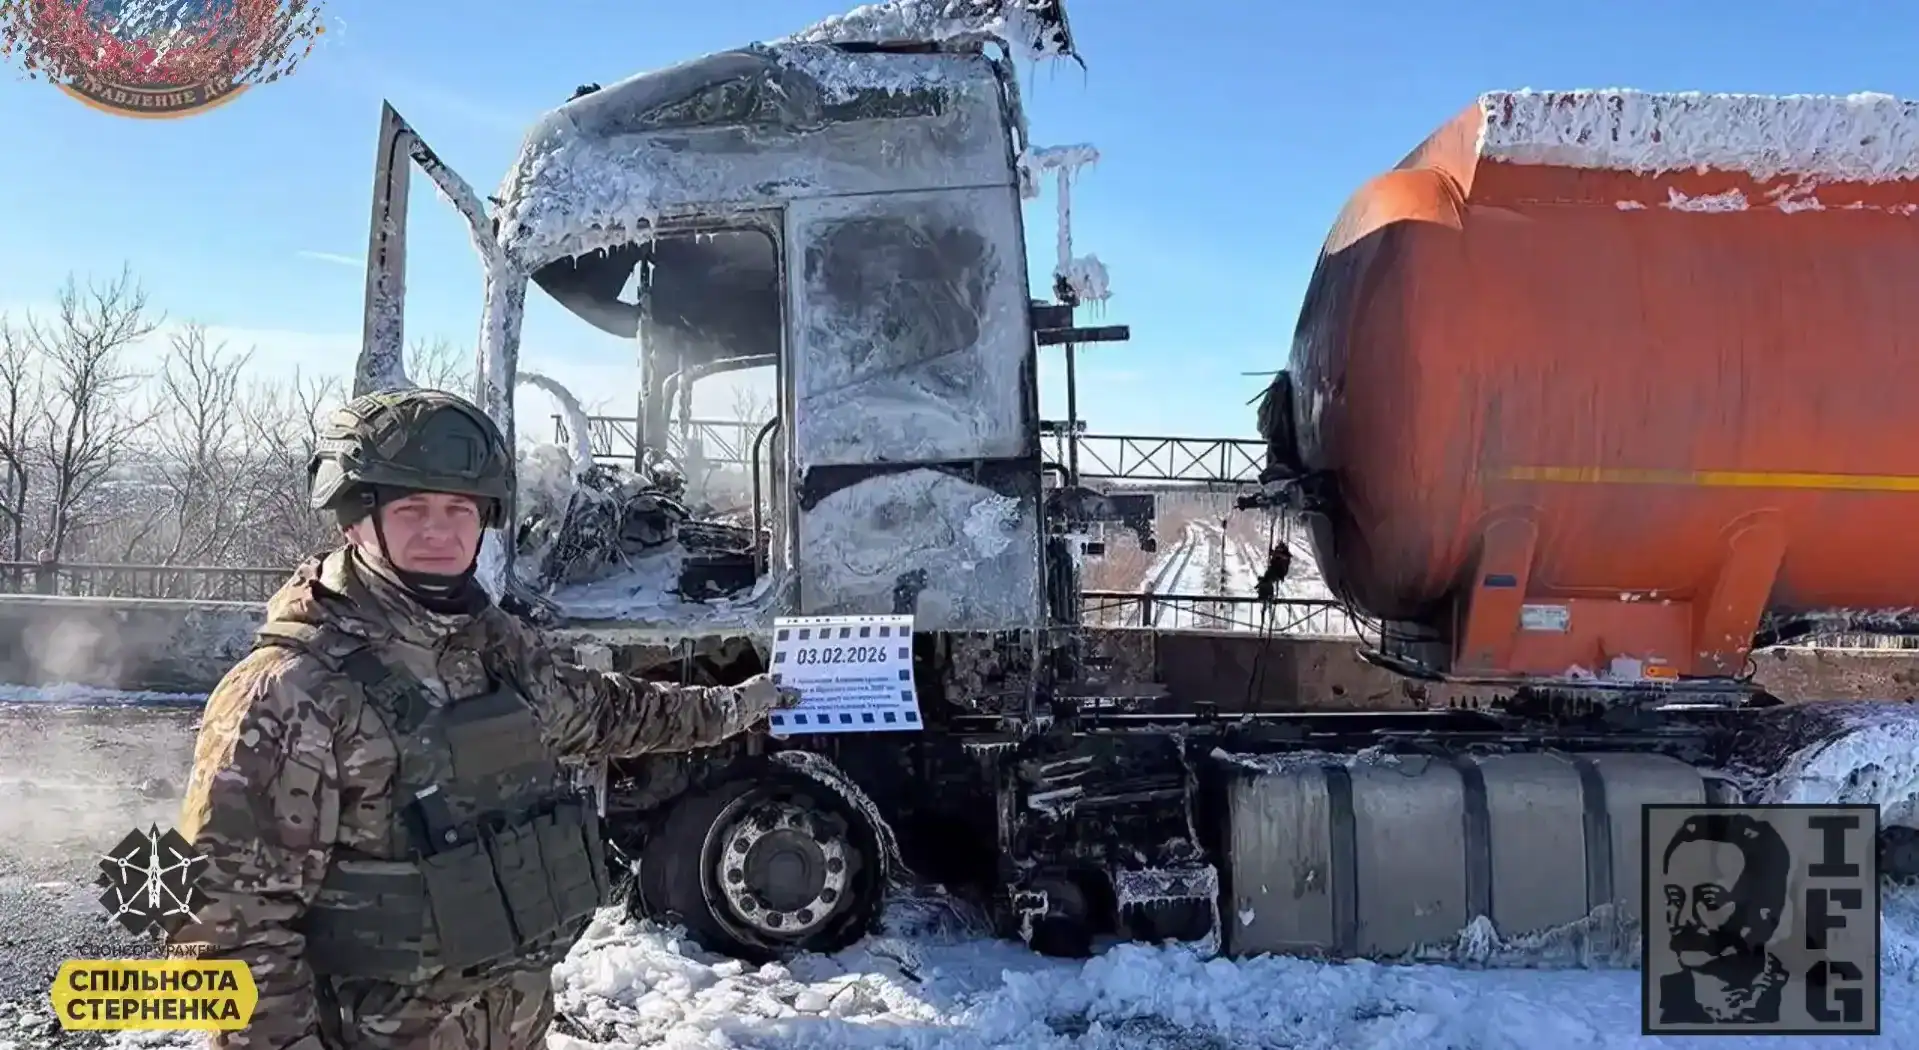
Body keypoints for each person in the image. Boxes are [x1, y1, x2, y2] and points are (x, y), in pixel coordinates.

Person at [166, 388, 797, 1050]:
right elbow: (220, 931)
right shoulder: (291, 692)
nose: (439, 530)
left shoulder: (498, 651)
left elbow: (614, 713)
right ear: (354, 520)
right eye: (411, 508)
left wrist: (746, 702)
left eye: (458, 508)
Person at [1657, 812, 1792, 1025]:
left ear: (1765, 910)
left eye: (1711, 901)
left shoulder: (1796, 1006)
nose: (1684, 919)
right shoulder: (1659, 1002)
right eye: (1675, 898)